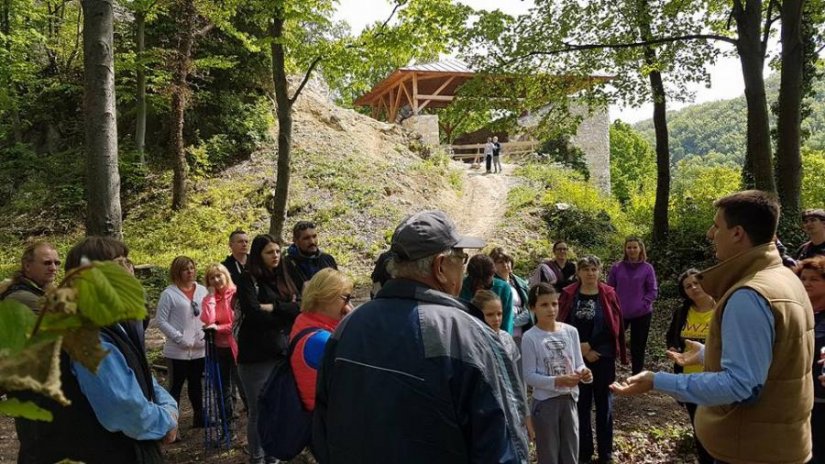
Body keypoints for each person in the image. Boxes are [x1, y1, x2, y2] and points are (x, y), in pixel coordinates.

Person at [611, 190, 814, 464]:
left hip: (749, 450)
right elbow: (774, 360)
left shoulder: (749, 294)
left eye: (717, 225)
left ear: (737, 233)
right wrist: (710, 353)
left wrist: (657, 380)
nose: (710, 233)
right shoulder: (785, 280)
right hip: (779, 443)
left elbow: (741, 385)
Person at [313, 210, 529, 463]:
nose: (463, 267)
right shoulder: (467, 335)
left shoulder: (348, 325)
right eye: (461, 258)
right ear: (440, 266)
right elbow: (502, 447)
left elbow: (323, 425)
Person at [16, 237, 178, 464]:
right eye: (119, 264)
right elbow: (123, 409)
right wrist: (164, 423)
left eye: (128, 263)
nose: (129, 271)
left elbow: (137, 371)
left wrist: (167, 404)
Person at [236, 234, 300, 464]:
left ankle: (274, 457)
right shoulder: (248, 280)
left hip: (282, 352)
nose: (275, 256)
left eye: (277, 251)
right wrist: (286, 311)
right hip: (256, 356)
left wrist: (273, 307)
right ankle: (258, 458)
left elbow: (301, 306)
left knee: (278, 409)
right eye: (269, 252)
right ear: (258, 255)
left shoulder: (286, 274)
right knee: (259, 411)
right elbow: (253, 314)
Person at [558, 255, 626, 464]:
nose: (590, 273)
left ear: (599, 271)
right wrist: (580, 348)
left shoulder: (608, 293)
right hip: (576, 357)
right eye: (585, 269)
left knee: (604, 404)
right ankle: (584, 451)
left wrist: (591, 346)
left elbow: (613, 326)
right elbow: (561, 324)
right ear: (578, 272)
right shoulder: (569, 294)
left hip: (603, 357)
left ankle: (606, 453)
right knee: (581, 405)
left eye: (594, 269)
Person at [522, 282, 592, 464]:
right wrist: (558, 380)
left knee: (570, 452)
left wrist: (584, 373)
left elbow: (578, 363)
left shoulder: (571, 332)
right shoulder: (530, 337)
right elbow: (529, 376)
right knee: (549, 454)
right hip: (545, 403)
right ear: (532, 308)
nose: (551, 309)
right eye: (544, 305)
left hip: (569, 400)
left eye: (554, 304)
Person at [664, 269, 715, 464]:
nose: (693, 288)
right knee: (699, 428)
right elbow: (672, 336)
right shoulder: (682, 312)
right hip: (690, 379)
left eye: (696, 283)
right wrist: (674, 348)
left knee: (717, 428)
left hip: (716, 378)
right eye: (688, 286)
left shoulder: (722, 307)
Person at [289, 268, 354, 411]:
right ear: (326, 297)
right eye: (346, 298)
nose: (348, 306)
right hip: (325, 419)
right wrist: (352, 320)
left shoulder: (304, 320)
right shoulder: (321, 341)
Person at [156, 256, 208, 428]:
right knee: (176, 387)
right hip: (177, 350)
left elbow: (208, 313)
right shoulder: (169, 294)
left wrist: (205, 333)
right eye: (186, 269)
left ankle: (199, 417)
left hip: (199, 348)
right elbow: (161, 321)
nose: (190, 272)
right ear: (177, 272)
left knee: (196, 384)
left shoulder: (202, 290)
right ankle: (172, 425)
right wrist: (179, 337)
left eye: (192, 268)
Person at [607, 237, 658, 375]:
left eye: (635, 247)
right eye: (629, 247)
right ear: (625, 249)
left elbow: (653, 290)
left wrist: (643, 304)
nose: (632, 250)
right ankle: (609, 374)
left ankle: (637, 376)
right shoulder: (617, 267)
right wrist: (612, 305)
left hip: (642, 314)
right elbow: (609, 289)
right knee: (612, 343)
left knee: (638, 346)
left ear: (640, 248)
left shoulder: (647, 268)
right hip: (619, 313)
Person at [200, 263, 239, 435]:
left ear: (226, 275)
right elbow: (209, 319)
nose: (216, 280)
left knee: (243, 386)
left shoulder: (236, 294)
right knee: (222, 389)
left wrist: (219, 328)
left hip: (237, 347)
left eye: (219, 276)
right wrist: (210, 297)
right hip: (218, 348)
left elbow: (237, 324)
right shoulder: (209, 298)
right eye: (212, 278)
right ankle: (228, 425)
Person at [797, 256, 825, 464]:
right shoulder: (797, 312)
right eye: (803, 278)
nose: (806, 283)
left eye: (814, 279)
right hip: (799, 400)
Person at [459, 253, 516, 334]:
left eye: (486, 284)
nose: (481, 286)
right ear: (469, 276)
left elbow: (507, 323)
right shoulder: (460, 287)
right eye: (476, 282)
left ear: (493, 274)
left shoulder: (503, 289)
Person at [0, 240, 60, 312]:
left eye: (56, 263)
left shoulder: (43, 290)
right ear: (27, 266)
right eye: (47, 263)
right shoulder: (23, 297)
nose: (53, 268)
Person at [490, 247, 532, 344]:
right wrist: (510, 321)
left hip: (522, 335)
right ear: (493, 265)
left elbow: (530, 306)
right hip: (500, 336)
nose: (505, 265)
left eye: (507, 261)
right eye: (500, 262)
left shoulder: (520, 283)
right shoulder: (491, 285)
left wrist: (519, 319)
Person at [284, 221, 338, 294]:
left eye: (314, 236)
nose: (312, 241)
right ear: (295, 241)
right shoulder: (286, 264)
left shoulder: (327, 259)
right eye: (306, 238)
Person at [472, 289, 520, 365]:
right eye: (490, 314)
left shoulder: (506, 338)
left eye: (499, 314)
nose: (496, 319)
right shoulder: (473, 342)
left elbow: (514, 368)